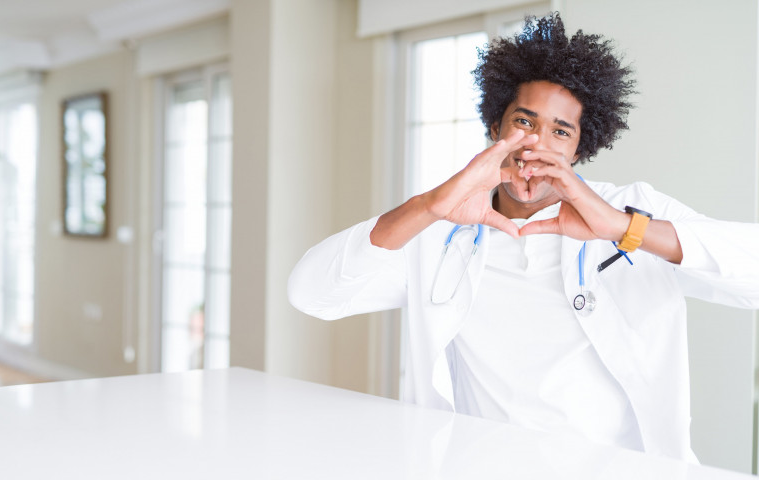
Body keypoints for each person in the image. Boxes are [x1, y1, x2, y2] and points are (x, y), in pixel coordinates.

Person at [287, 13, 759, 462]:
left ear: (580, 148)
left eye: (560, 131)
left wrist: (619, 227)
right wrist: (429, 205)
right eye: (525, 122)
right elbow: (311, 294)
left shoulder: (631, 209)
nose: (537, 144)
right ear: (496, 127)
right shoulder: (440, 231)